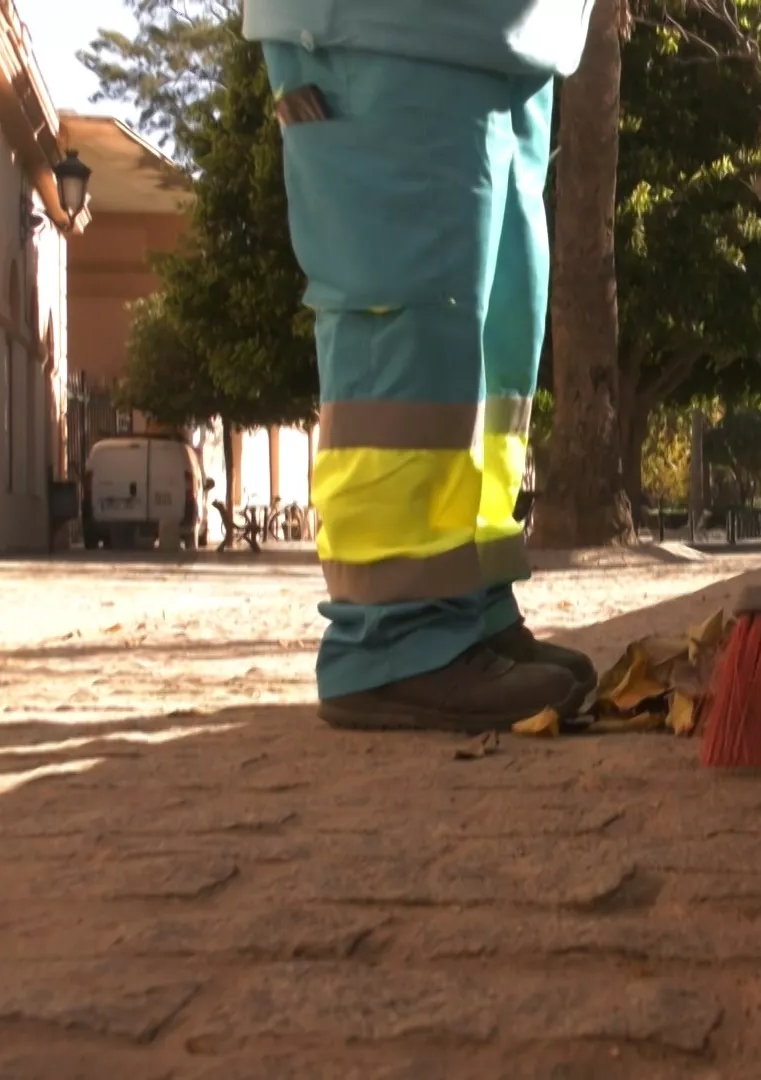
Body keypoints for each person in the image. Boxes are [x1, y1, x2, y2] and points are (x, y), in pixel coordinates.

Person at [244, 0, 600, 732]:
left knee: (493, 340)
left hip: (520, 40)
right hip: (383, 28)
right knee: (411, 316)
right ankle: (395, 633)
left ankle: (465, 607)